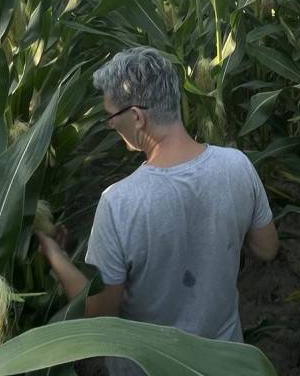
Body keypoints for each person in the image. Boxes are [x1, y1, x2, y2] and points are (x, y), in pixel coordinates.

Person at [36, 46, 279, 376]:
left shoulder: (119, 203)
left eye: (111, 117)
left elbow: (99, 314)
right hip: (228, 363)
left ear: (137, 117)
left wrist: (55, 257)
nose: (111, 126)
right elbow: (267, 248)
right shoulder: (237, 165)